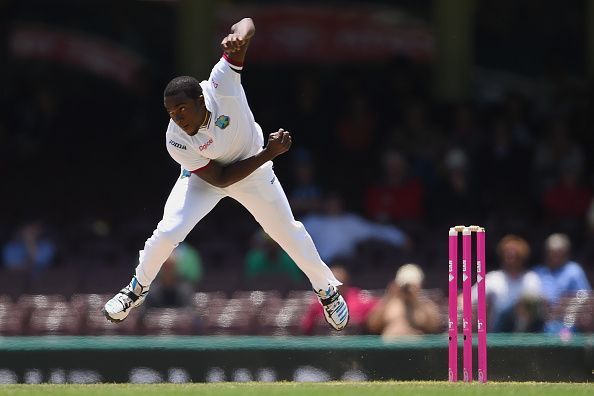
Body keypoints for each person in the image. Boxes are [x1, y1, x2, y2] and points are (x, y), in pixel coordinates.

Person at [103, 18, 348, 331]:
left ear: (201, 100)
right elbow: (220, 179)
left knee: (287, 230)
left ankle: (326, 290)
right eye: (171, 113)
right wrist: (269, 154)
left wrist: (238, 35)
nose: (177, 119)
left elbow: (248, 25)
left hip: (253, 172)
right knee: (168, 231)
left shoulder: (222, 83)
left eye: (182, 110)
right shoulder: (175, 140)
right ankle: (136, 288)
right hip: (210, 177)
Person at [471, 235, 543, 332]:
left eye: (515, 255)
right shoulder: (492, 278)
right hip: (498, 331)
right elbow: (470, 299)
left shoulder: (531, 278)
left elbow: (536, 307)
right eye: (508, 254)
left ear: (521, 257)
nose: (511, 257)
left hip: (525, 330)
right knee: (503, 309)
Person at [366, 263, 441, 339]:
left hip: (416, 349)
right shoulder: (389, 304)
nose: (407, 289)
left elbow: (433, 327)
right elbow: (372, 326)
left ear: (420, 285)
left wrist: (416, 299)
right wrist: (389, 295)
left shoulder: (426, 306)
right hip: (390, 348)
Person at [300, 265, 378, 335]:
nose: (335, 288)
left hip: (356, 346)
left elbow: (377, 320)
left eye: (337, 284)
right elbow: (306, 328)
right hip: (325, 345)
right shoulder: (319, 302)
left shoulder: (360, 300)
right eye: (330, 284)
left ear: (346, 284)